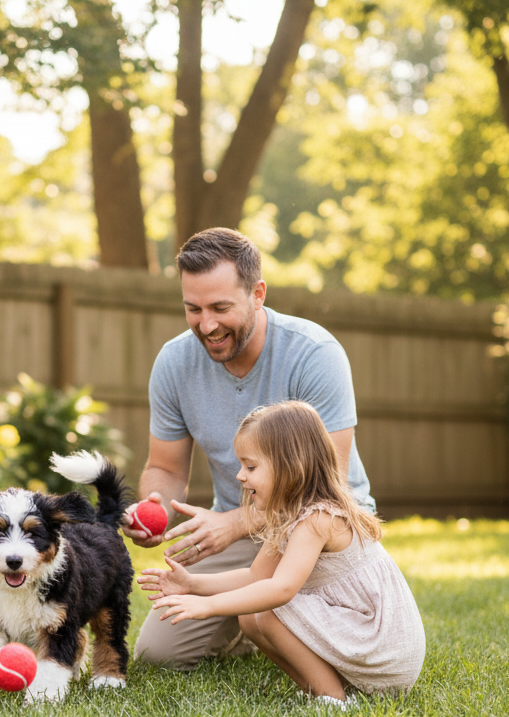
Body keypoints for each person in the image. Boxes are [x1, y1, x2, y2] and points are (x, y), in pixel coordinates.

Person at [127, 227, 376, 671]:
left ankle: (262, 620)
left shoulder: (314, 354)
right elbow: (164, 467)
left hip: (326, 530)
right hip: (245, 528)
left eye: (221, 307)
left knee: (295, 626)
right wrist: (153, 510)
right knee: (156, 656)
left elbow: (325, 484)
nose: (207, 324)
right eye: (193, 308)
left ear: (258, 293)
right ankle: (248, 626)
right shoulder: (174, 362)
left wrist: (233, 523)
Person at [138, 401, 425, 703]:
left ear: (290, 467)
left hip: (385, 650)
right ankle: (321, 693)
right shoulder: (288, 515)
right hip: (361, 637)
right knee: (251, 617)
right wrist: (193, 586)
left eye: (250, 466)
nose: (239, 475)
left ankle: (333, 699)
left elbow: (281, 589)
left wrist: (209, 607)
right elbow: (254, 576)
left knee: (269, 608)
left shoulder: (318, 518)